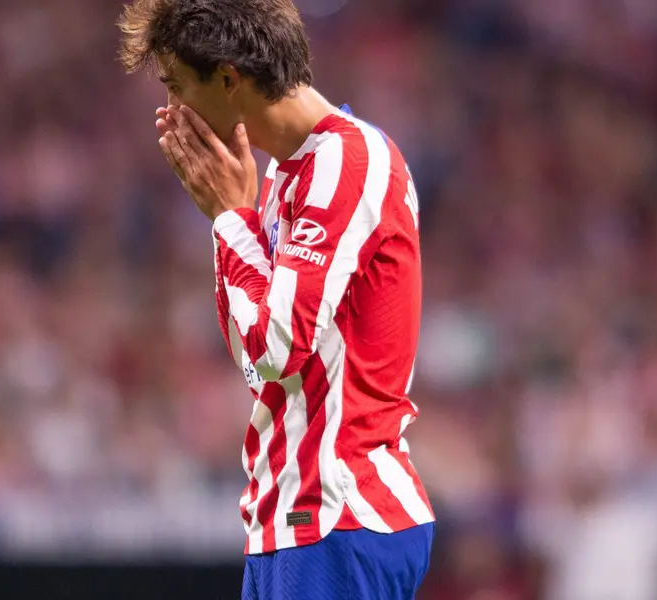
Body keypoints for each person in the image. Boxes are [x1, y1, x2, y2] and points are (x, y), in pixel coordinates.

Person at [118, 1, 434, 598]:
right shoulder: (282, 178)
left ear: (228, 78)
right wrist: (231, 220)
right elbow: (252, 359)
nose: (172, 110)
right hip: (290, 518)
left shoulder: (348, 161)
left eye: (177, 85)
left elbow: (274, 349)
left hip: (339, 514)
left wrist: (231, 220)